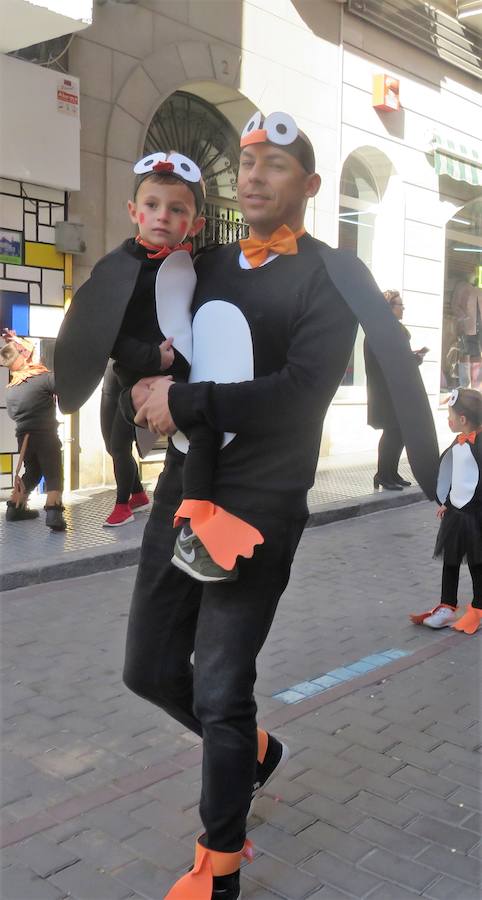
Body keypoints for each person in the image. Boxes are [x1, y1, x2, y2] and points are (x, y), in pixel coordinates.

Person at [114, 111, 438, 900]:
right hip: (181, 499)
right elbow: (149, 333)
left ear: (312, 187)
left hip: (258, 511)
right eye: (248, 160)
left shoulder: (331, 276)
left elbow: (298, 397)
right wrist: (138, 383)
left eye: (277, 165)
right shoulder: (206, 260)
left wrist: (184, 398)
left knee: (222, 688)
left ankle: (219, 866)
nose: (255, 174)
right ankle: (254, 754)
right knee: (148, 671)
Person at [55, 151, 262, 578]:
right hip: (143, 380)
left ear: (196, 224)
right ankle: (192, 529)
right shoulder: (119, 267)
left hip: (182, 377)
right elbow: (102, 335)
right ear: (133, 211)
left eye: (176, 210)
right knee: (202, 432)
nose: (162, 216)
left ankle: (198, 519)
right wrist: (152, 358)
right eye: (151, 206)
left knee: (205, 432)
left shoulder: (193, 264)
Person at [410, 388, 482, 633]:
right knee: (450, 560)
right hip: (456, 515)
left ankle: (479, 607)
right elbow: (456, 476)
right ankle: (447, 606)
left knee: (477, 562)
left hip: (476, 516)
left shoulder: (479, 445)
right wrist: (447, 503)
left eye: (450, 415)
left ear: (462, 419)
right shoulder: (459, 441)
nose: (447, 419)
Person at [1, 332, 66, 530]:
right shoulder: (43, 378)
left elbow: (13, 414)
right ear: (26, 357)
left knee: (33, 471)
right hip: (46, 434)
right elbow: (64, 387)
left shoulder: (11, 388)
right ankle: (54, 514)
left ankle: (16, 508)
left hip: (24, 437)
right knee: (54, 472)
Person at [364, 289, 428, 491]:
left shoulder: (389, 329)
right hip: (387, 392)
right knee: (393, 432)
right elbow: (392, 362)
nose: (403, 309)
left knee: (398, 432)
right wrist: (414, 359)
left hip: (393, 390)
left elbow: (397, 358)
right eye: (400, 305)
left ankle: (389, 472)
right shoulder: (382, 330)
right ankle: (384, 474)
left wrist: (412, 358)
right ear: (389, 307)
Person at [100, 359, 150, 527]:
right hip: (109, 385)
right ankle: (138, 495)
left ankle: (122, 506)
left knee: (119, 446)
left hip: (131, 387)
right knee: (111, 447)